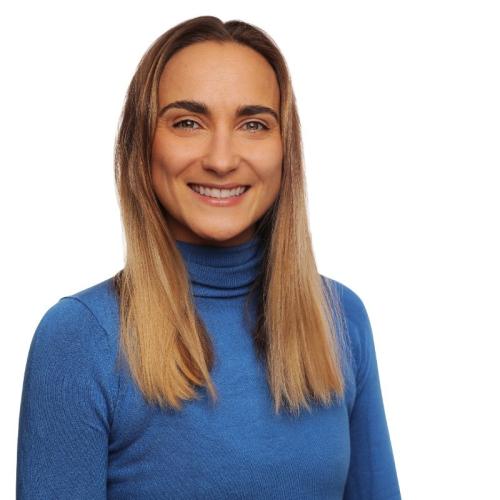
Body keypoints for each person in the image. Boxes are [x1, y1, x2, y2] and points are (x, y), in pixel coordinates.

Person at [16, 15, 401, 499]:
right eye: (188, 123)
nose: (221, 159)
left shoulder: (341, 318)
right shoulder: (80, 339)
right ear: (142, 145)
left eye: (253, 124)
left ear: (285, 150)